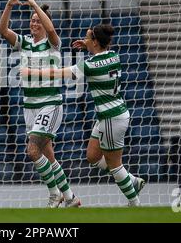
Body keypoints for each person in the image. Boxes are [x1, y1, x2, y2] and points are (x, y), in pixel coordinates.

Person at [22, 24, 145, 206]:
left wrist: (31, 72)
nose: (85, 40)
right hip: (111, 115)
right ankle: (131, 180)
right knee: (92, 157)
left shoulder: (91, 65)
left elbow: (58, 73)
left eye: (88, 37)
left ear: (95, 42)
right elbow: (98, 54)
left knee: (114, 165)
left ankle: (135, 203)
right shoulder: (114, 56)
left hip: (111, 118)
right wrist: (88, 44)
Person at [0, 0, 80, 208]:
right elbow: (3, 30)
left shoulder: (53, 43)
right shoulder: (24, 42)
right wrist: (9, 5)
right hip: (29, 106)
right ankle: (70, 198)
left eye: (37, 20)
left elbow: (51, 29)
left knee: (32, 151)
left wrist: (34, 4)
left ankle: (54, 194)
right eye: (32, 20)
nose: (33, 23)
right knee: (49, 156)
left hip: (50, 104)